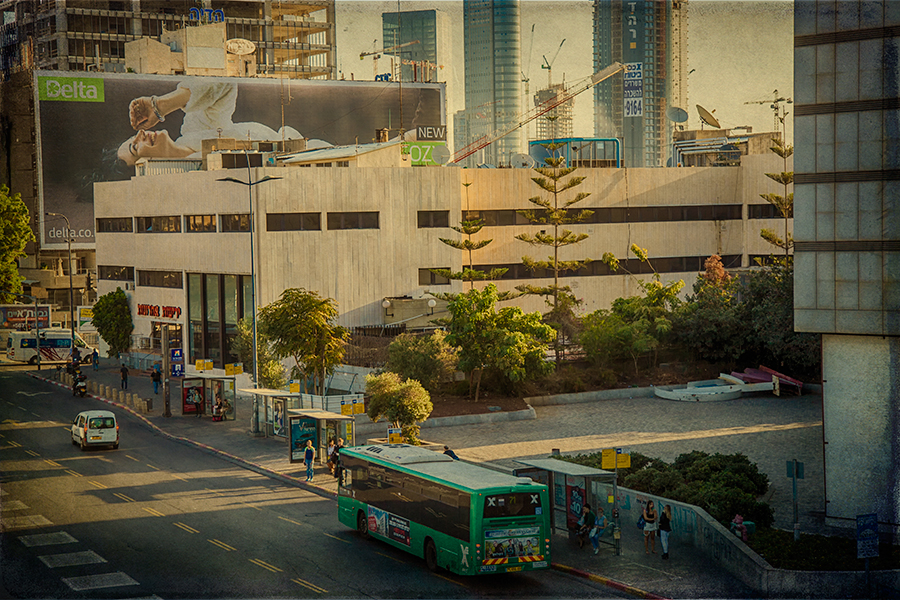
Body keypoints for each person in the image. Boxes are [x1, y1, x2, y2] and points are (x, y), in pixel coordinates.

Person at [118, 80, 326, 166]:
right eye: (135, 146)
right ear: (144, 165)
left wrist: (161, 105)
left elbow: (224, 85)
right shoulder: (189, 175)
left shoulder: (193, 130)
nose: (141, 135)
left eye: (135, 134)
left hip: (314, 150)